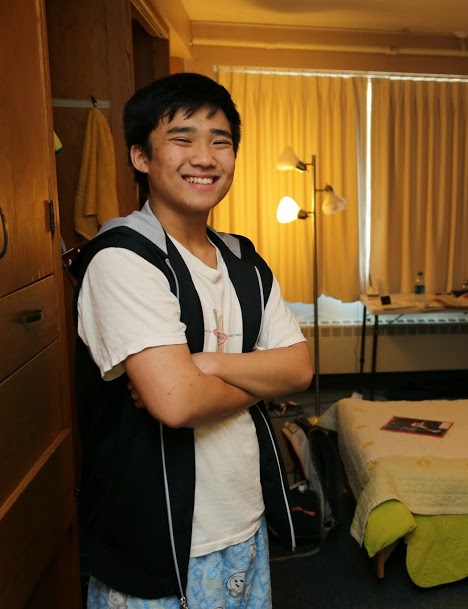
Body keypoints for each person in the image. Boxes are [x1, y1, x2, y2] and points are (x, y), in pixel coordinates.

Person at [72, 72, 313, 608]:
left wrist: (207, 364)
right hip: (159, 536)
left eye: (220, 140)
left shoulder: (244, 260)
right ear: (140, 156)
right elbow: (179, 405)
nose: (204, 156)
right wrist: (251, 374)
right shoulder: (122, 259)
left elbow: (299, 369)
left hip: (242, 518)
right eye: (182, 138)